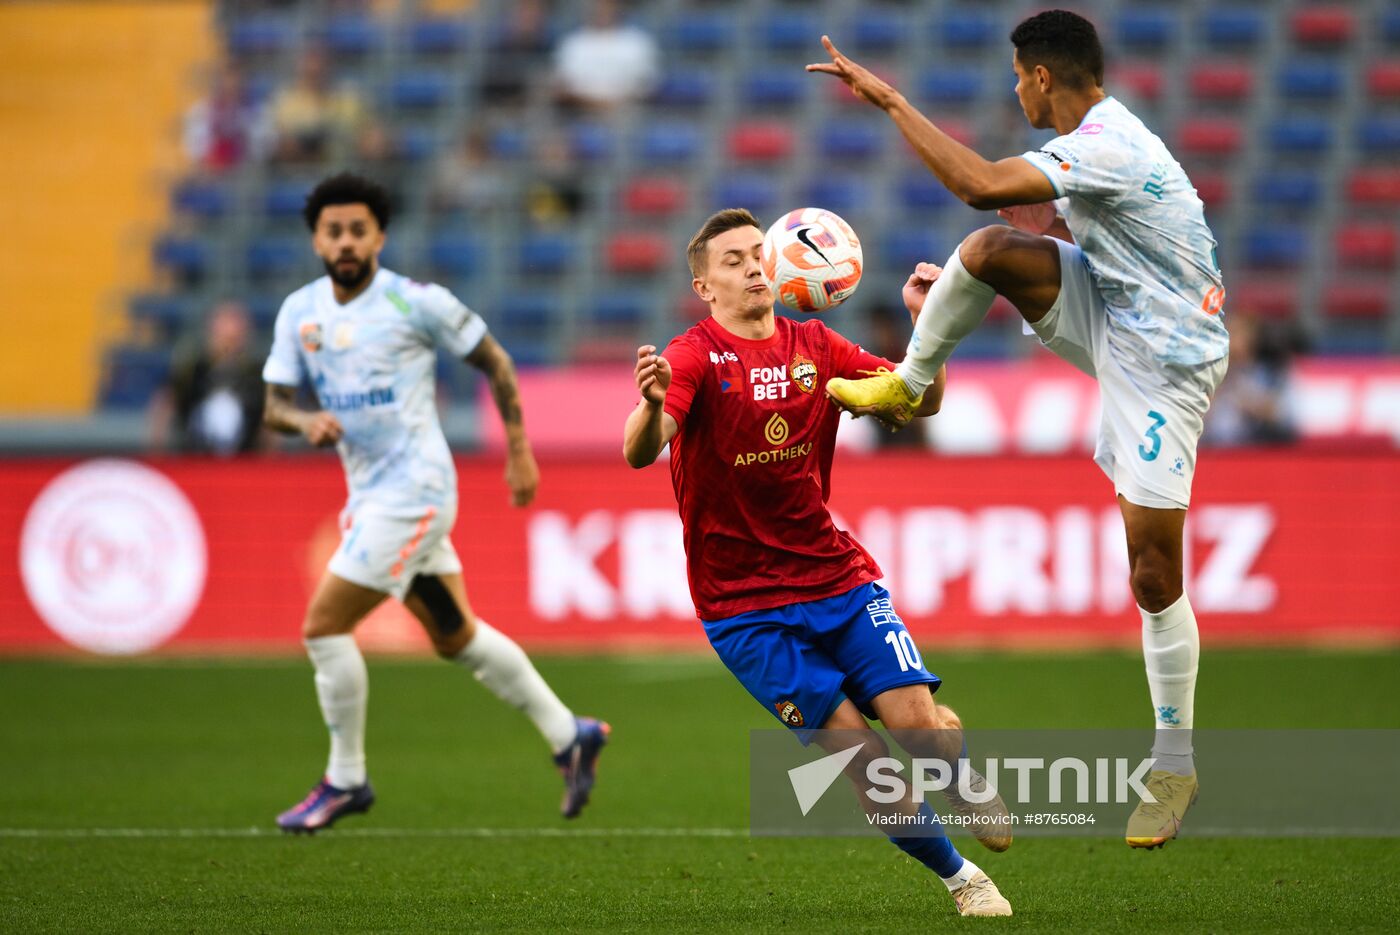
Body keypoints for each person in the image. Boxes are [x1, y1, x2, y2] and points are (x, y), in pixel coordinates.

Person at [810, 10, 1228, 848]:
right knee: (988, 251)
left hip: (1168, 362)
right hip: (1115, 312)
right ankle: (908, 384)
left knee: (1151, 571)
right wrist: (956, 305)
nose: (1012, 88)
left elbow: (979, 179)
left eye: (1016, 76)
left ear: (1041, 76)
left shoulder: (1110, 144)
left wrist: (890, 100)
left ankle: (1174, 763)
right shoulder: (1092, 148)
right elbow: (1052, 229)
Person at [623, 209, 1013, 918]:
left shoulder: (817, 345)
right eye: (733, 260)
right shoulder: (693, 356)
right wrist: (651, 408)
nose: (750, 267)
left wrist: (933, 333)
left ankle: (953, 763)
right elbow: (640, 447)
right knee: (862, 759)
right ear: (705, 285)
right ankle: (963, 879)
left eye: (756, 254)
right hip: (745, 611)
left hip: (836, 578)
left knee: (920, 729)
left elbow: (918, 401)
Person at [262, 172, 608, 832]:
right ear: (316, 239)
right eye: (333, 230)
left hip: (415, 491)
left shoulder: (414, 303)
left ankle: (346, 778)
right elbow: (274, 402)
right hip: (369, 497)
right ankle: (571, 733)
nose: (345, 241)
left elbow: (496, 362)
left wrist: (519, 448)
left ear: (379, 236)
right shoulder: (298, 313)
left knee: (323, 626)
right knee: (456, 638)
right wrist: (302, 421)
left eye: (357, 229)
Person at [151, 300, 266, 456]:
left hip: (244, 465)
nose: (229, 344)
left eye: (234, 337)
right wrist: (159, 453)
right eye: (225, 336)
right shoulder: (192, 369)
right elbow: (164, 406)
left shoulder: (256, 375)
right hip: (195, 462)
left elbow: (268, 424)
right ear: (211, 331)